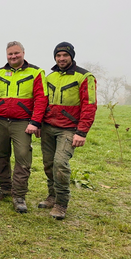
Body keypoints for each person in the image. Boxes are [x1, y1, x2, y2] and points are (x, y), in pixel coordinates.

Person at [0, 41, 48, 213]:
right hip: (0, 121)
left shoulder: (36, 73)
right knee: (1, 155)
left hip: (23, 123)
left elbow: (41, 99)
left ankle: (19, 195)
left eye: (16, 53)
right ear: (6, 55)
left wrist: (35, 122)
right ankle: (5, 188)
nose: (13, 56)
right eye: (10, 54)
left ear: (23, 53)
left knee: (23, 158)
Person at [38, 42, 97, 220]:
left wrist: (82, 132)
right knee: (48, 164)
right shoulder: (50, 76)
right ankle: (52, 195)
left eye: (65, 55)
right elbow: (42, 102)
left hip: (70, 129)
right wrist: (39, 123)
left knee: (60, 163)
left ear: (71, 56)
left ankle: (61, 203)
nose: (61, 59)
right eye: (58, 56)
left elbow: (90, 105)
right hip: (48, 127)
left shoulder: (85, 77)